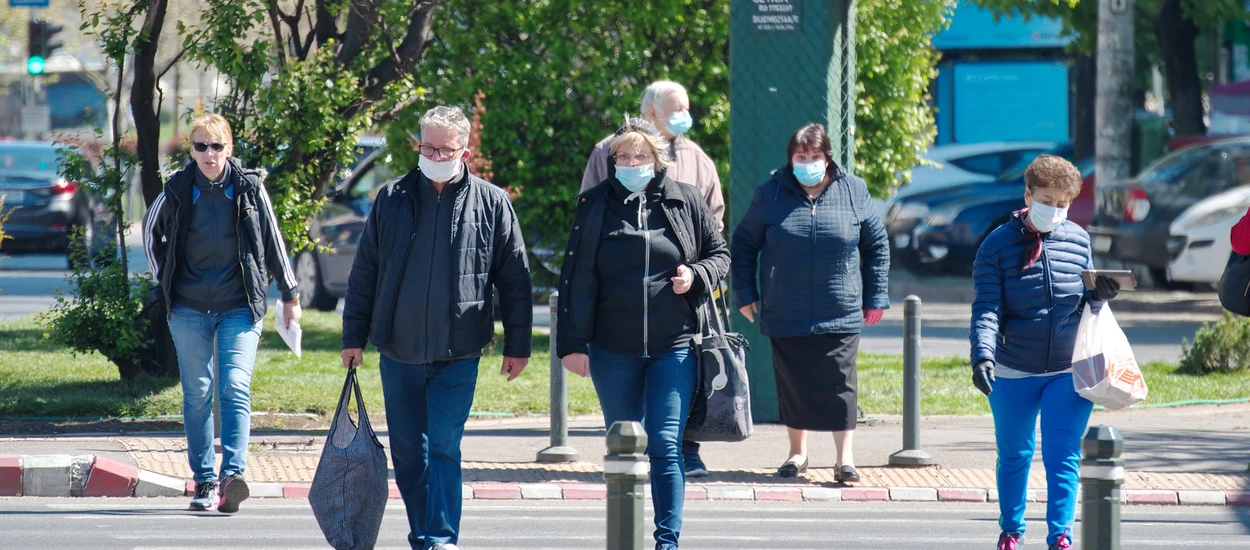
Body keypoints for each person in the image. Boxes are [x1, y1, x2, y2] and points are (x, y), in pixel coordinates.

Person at [340, 105, 533, 550]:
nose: (434, 154)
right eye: (427, 146)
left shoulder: (492, 202)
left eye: (444, 148)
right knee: (409, 454)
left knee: (444, 446)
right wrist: (353, 337)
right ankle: (424, 533)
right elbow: (365, 271)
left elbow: (516, 280)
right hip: (399, 350)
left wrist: (517, 344)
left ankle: (441, 540)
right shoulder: (392, 198)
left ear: (464, 150)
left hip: (459, 353)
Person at [557, 116, 729, 550]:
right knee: (623, 444)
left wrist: (696, 274)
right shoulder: (593, 204)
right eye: (623, 156)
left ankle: (666, 541)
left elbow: (720, 254)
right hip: (612, 350)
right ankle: (625, 536)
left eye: (640, 155)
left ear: (658, 158)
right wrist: (571, 345)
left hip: (674, 348)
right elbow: (574, 276)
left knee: (665, 444)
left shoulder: (684, 200)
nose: (631, 162)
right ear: (611, 160)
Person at [143, 113, 301, 513]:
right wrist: (168, 281)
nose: (209, 154)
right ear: (191, 150)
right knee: (197, 393)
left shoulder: (249, 187)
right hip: (189, 307)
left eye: (216, 146)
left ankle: (232, 476)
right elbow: (150, 236)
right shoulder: (178, 189)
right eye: (201, 146)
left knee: (234, 385)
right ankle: (204, 481)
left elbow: (272, 239)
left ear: (229, 149)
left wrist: (289, 292)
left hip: (239, 305)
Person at [969, 154, 1121, 550]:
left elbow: (1086, 299)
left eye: (1062, 203)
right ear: (1027, 194)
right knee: (1016, 453)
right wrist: (982, 354)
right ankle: (1012, 530)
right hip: (1014, 368)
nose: (1053, 209)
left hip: (1067, 371)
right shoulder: (995, 246)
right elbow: (987, 307)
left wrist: (1099, 294)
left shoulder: (1078, 238)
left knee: (1062, 455)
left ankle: (1061, 537)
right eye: (1045, 199)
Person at [730, 123, 889, 483]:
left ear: (828, 157)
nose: (808, 163)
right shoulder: (769, 194)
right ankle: (797, 454)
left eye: (815, 157)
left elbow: (876, 245)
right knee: (794, 382)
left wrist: (876, 295)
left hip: (841, 307)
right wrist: (745, 292)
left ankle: (844, 460)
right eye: (801, 157)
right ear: (790, 160)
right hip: (786, 307)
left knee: (840, 383)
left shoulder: (854, 190)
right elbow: (743, 244)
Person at [580, 79, 724, 477]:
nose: (683, 117)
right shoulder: (606, 152)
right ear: (650, 114)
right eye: (674, 109)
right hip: (616, 319)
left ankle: (685, 450)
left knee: (675, 402)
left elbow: (714, 226)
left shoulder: (696, 158)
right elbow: (590, 214)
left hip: (678, 308)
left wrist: (696, 272)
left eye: (686, 108)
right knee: (628, 427)